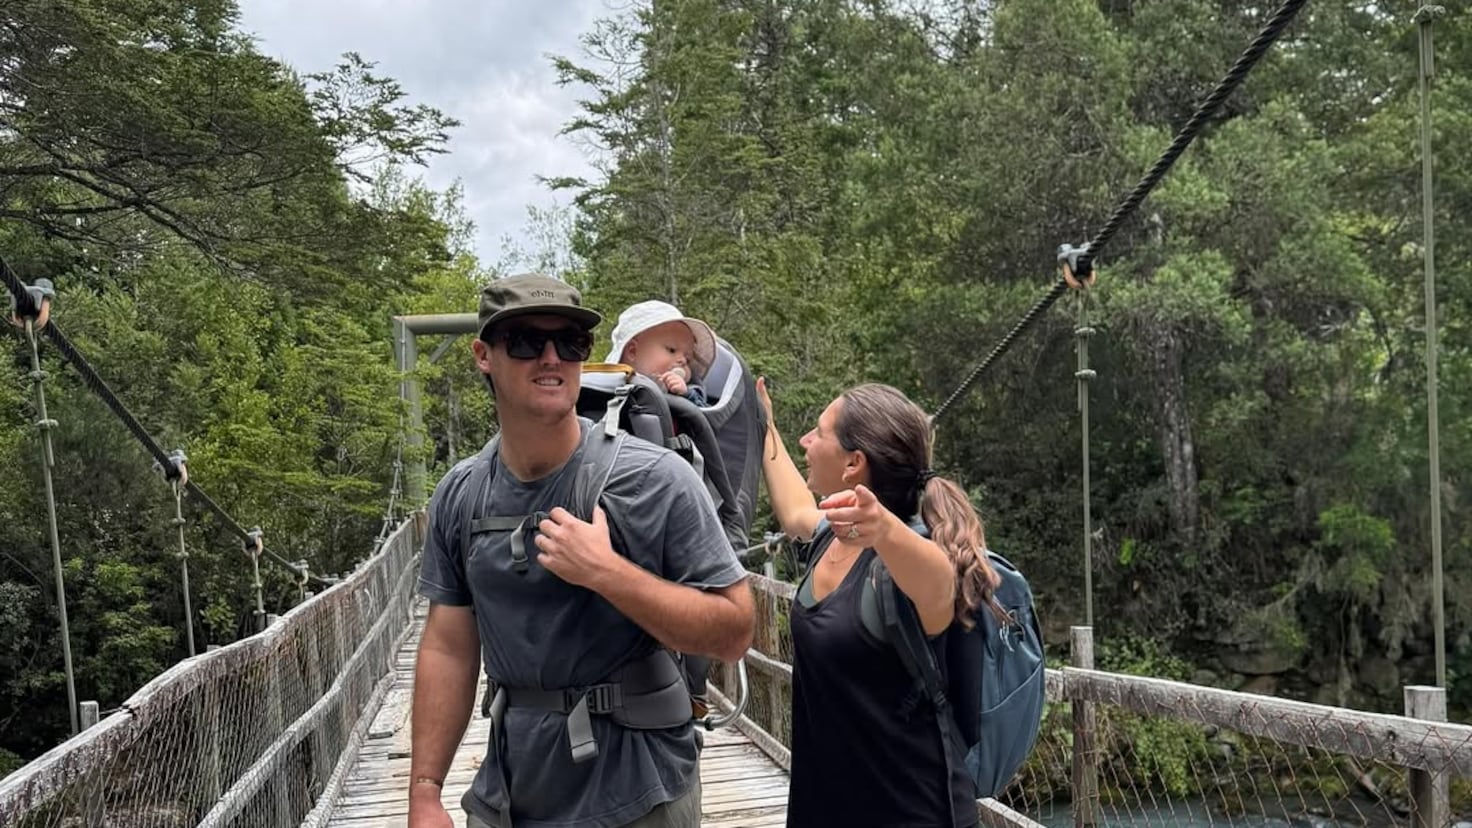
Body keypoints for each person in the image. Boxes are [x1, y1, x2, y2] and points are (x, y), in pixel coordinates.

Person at [409, 273, 756, 828]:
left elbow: (735, 630)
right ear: (483, 355)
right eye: (526, 340)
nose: (552, 357)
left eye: (571, 343)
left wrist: (608, 573)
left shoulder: (656, 480)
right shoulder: (461, 492)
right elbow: (449, 645)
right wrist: (426, 790)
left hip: (639, 792)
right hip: (512, 789)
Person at [756, 378, 999, 828]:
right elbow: (794, 512)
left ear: (854, 463)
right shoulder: (833, 534)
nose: (805, 441)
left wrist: (884, 529)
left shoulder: (908, 563)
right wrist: (763, 423)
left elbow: (939, 580)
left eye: (818, 433)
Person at [607, 300, 718, 406]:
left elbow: (704, 419)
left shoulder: (686, 392)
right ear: (632, 351)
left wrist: (686, 395)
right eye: (672, 350)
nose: (683, 361)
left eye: (688, 359)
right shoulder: (606, 387)